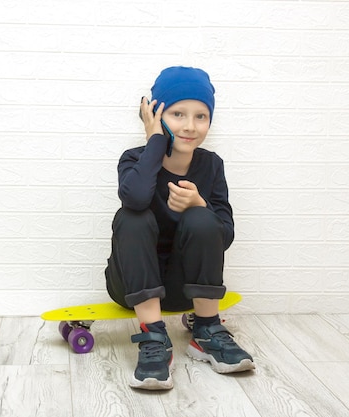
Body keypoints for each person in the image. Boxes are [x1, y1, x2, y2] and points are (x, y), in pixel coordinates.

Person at [105, 66, 255, 390]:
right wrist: (155, 141)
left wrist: (200, 204)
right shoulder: (134, 159)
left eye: (201, 116)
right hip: (132, 286)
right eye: (177, 114)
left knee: (203, 217)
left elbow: (225, 235)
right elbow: (134, 196)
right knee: (133, 215)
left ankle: (206, 331)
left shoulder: (211, 165)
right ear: (156, 114)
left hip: (184, 289)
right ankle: (154, 338)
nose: (190, 126)